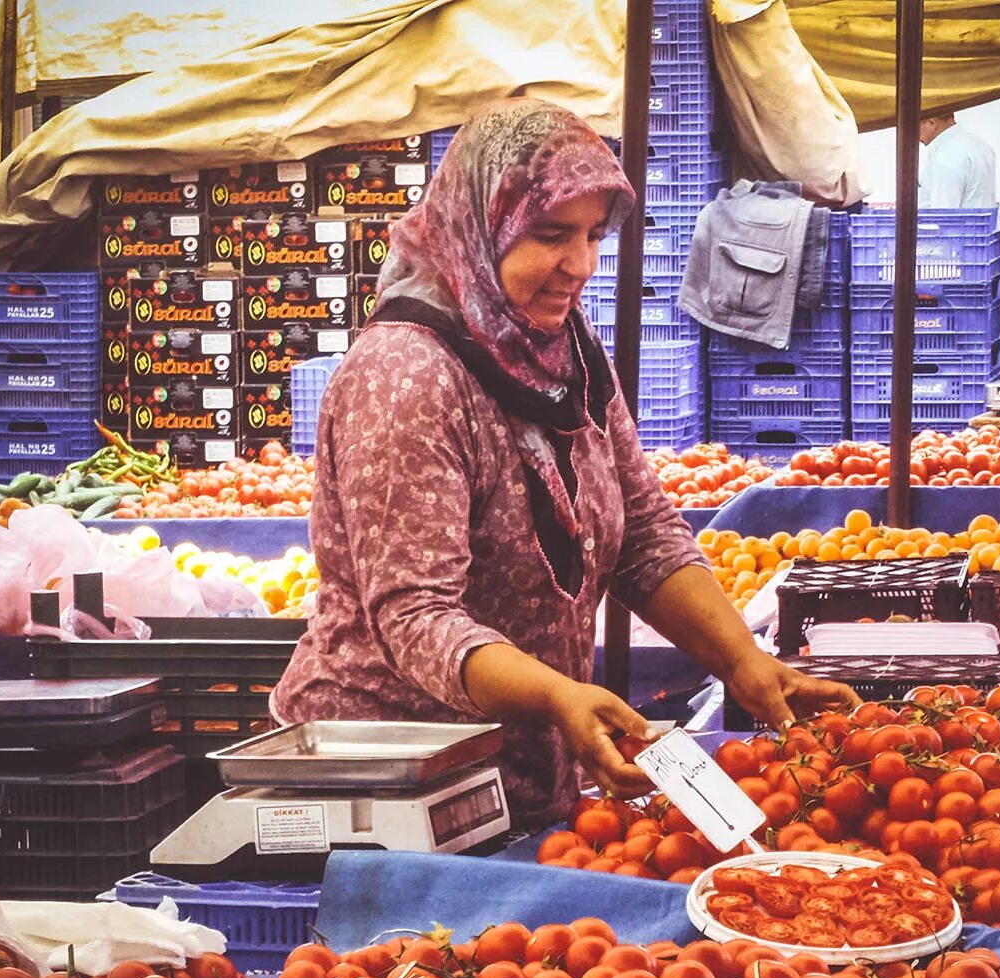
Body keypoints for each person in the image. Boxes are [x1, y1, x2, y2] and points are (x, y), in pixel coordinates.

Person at [272, 99, 854, 830]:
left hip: (515, 786)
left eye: (592, 236)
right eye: (551, 235)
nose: (578, 266)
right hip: (388, 794)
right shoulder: (407, 374)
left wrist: (740, 659)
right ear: (484, 227)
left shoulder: (560, 349)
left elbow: (642, 532)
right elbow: (416, 616)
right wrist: (555, 694)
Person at [918, 111, 997, 208]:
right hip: (984, 221)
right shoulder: (982, 146)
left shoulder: (944, 155)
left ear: (931, 122)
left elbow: (943, 215)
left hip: (958, 222)